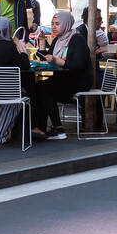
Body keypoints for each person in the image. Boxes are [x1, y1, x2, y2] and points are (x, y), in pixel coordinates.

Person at [29, 10, 90, 139]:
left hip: (77, 81)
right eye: (52, 24)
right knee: (38, 87)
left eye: (57, 24)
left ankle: (58, 129)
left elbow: (78, 65)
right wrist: (42, 42)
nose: (54, 27)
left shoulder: (77, 39)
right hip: (63, 79)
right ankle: (40, 129)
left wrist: (57, 61)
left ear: (67, 24)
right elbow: (47, 58)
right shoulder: (58, 40)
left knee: (43, 88)